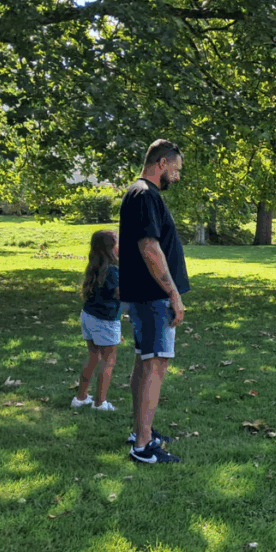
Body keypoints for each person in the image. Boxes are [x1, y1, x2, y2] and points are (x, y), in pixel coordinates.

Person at [119, 139, 190, 463]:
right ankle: (143, 447)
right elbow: (149, 247)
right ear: (161, 163)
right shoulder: (145, 194)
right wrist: (173, 293)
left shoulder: (139, 194)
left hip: (145, 296)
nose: (176, 177)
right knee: (155, 364)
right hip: (153, 296)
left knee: (145, 361)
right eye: (175, 170)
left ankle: (140, 431)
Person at [71, 229, 121, 412]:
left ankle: (81, 397)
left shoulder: (95, 266)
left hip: (88, 316)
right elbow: (121, 294)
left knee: (94, 356)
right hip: (106, 320)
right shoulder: (113, 271)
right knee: (108, 360)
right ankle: (100, 403)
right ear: (112, 248)